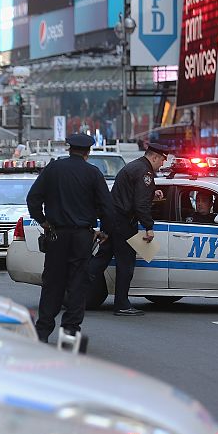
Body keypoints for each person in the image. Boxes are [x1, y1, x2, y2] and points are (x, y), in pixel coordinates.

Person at [26, 133, 116, 343]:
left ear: (69, 149)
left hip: (56, 235)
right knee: (77, 284)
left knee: (52, 283)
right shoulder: (93, 173)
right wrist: (105, 231)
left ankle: (42, 332)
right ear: (88, 152)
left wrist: (43, 221)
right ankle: (70, 333)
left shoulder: (53, 169)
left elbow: (33, 199)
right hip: (82, 237)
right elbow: (107, 208)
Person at [88, 143, 168, 317]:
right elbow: (140, 204)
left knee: (101, 259)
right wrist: (149, 227)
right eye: (162, 160)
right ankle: (122, 304)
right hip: (123, 223)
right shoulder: (144, 172)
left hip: (112, 219)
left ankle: (73, 291)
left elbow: (132, 194)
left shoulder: (135, 166)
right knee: (126, 264)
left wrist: (152, 193)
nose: (162, 164)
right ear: (154, 157)